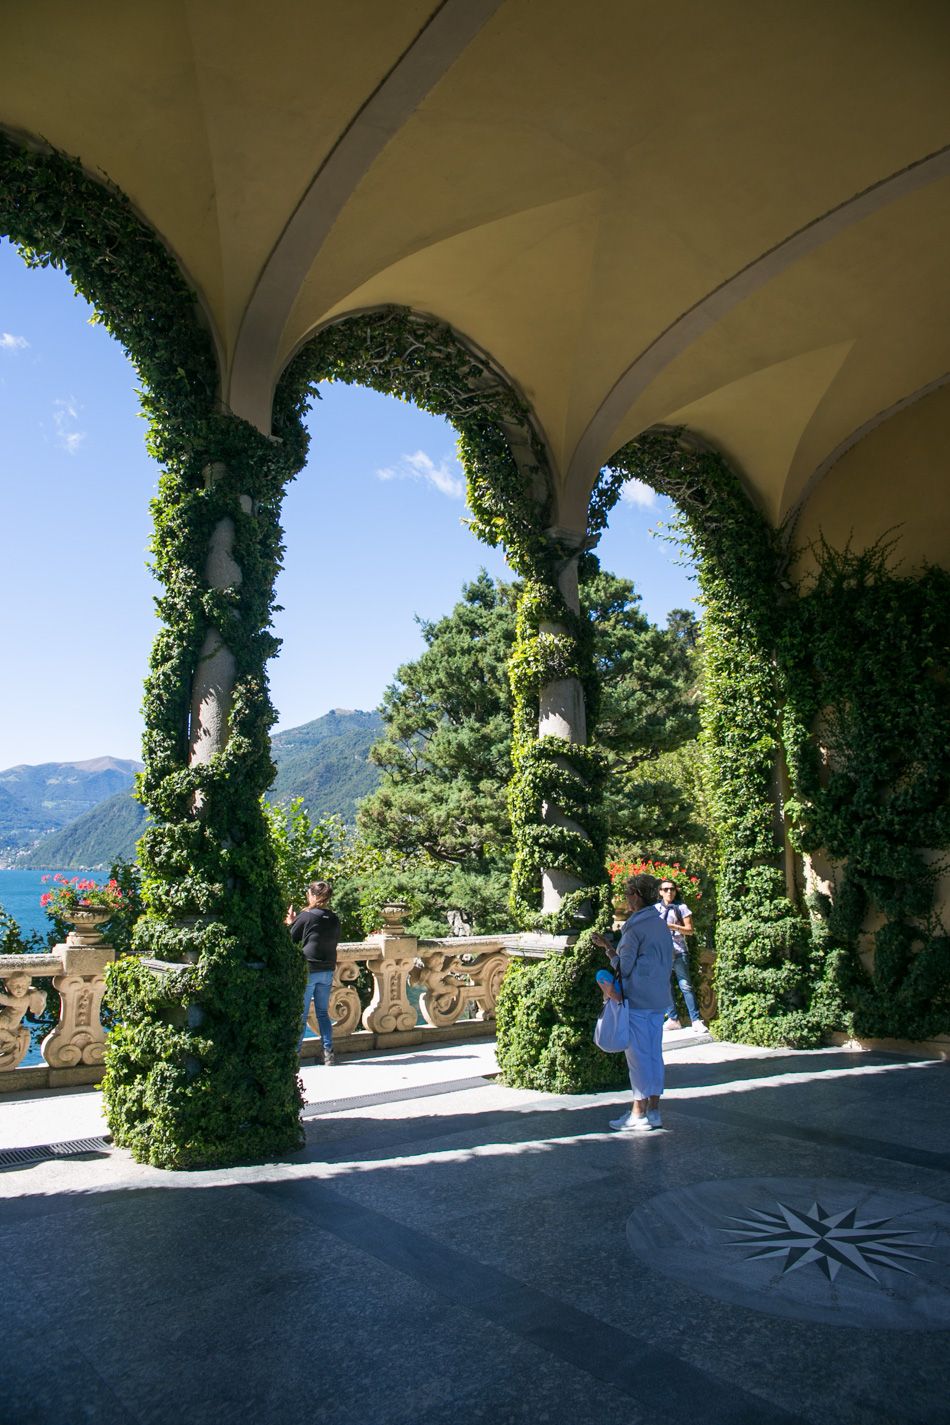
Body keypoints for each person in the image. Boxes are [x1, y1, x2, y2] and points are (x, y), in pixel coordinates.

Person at [591, 872, 673, 1131]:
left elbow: (624, 969)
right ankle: (654, 1110)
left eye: (627, 894)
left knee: (637, 1058)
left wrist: (608, 950)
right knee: (653, 1055)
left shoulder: (634, 927)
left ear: (636, 896)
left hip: (636, 1000)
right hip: (659, 998)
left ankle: (638, 1113)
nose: (625, 899)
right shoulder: (660, 923)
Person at [286, 881, 341, 1065]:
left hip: (309, 968)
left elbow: (291, 938)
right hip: (327, 969)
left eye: (309, 893)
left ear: (313, 896)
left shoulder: (307, 916)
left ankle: (295, 1055)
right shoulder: (333, 917)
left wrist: (290, 922)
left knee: (301, 1014)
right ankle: (328, 1053)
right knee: (323, 1013)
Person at [656, 878, 707, 1033]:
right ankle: (673, 1018)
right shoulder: (655, 909)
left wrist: (672, 926)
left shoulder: (681, 908)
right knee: (665, 986)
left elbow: (690, 930)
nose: (669, 892)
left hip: (678, 951)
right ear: (660, 892)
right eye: (665, 889)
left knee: (685, 986)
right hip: (662, 953)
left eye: (671, 889)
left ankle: (696, 1020)